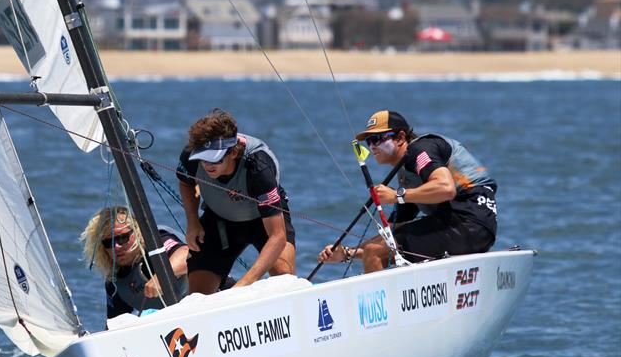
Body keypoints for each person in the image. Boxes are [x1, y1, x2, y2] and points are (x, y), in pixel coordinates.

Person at [318, 110, 497, 273]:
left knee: (375, 252)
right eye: (369, 141)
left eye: (378, 139)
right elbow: (389, 237)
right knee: (377, 248)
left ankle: (385, 309)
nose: (372, 146)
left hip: (468, 223)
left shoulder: (420, 150)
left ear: (401, 137)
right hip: (471, 227)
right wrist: (347, 253)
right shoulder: (408, 174)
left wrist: (396, 196)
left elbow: (446, 188)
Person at [176, 109, 296, 294]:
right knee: (198, 294)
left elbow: (277, 237)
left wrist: (242, 287)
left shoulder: (258, 166)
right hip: (220, 220)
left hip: (263, 221)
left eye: (214, 159)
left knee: (284, 278)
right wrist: (192, 221)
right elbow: (186, 183)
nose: (207, 165)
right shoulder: (191, 155)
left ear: (233, 152)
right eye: (203, 159)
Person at [80, 206, 189, 321]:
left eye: (122, 238)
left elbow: (186, 255)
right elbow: (115, 324)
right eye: (108, 242)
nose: (116, 247)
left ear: (136, 231)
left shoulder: (155, 241)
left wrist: (161, 278)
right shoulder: (114, 282)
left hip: (201, 304)